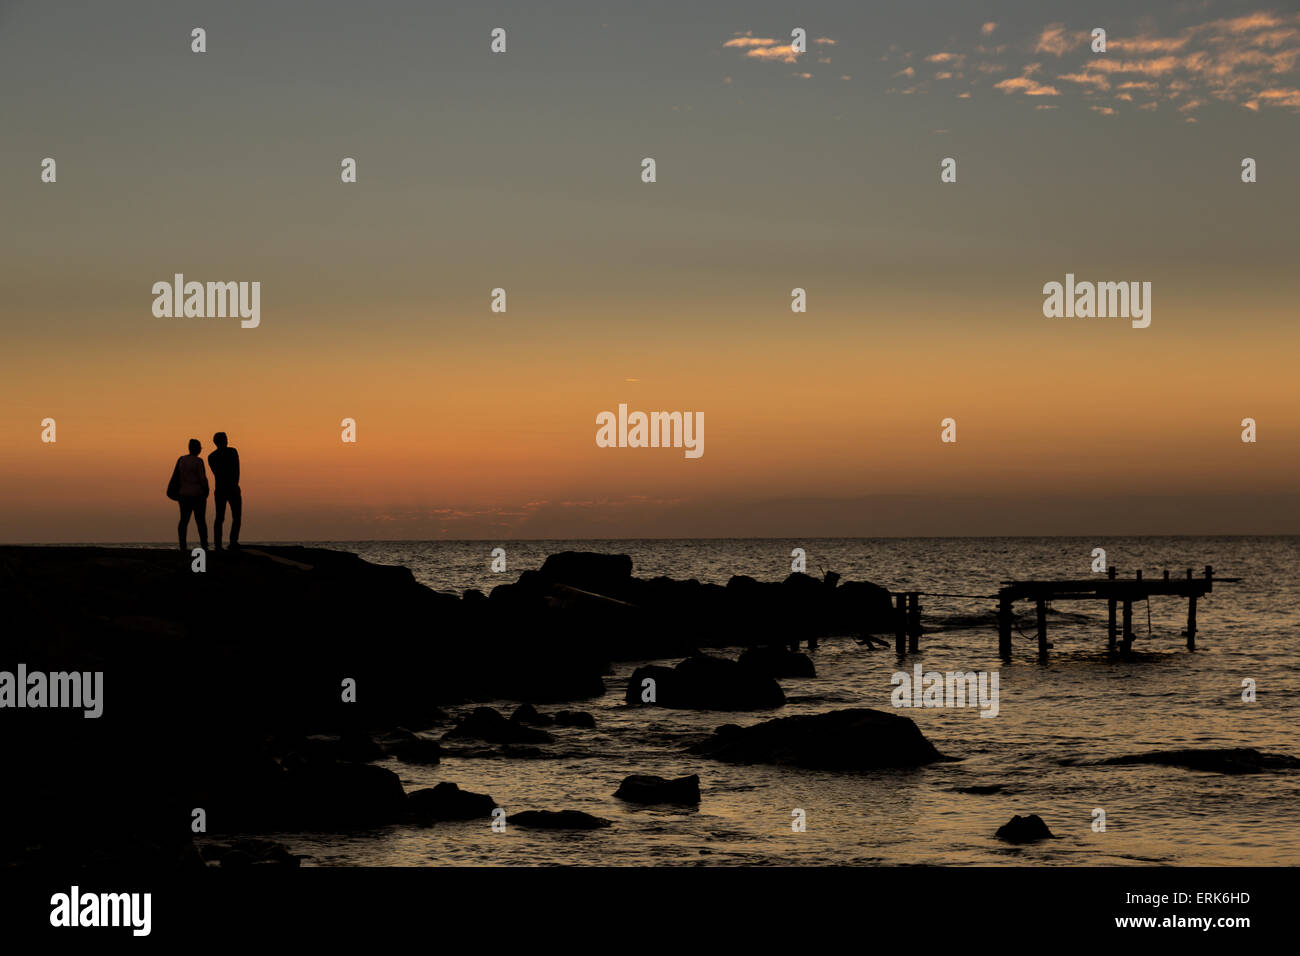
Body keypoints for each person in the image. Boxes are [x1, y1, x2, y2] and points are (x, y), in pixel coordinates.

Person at [170, 439, 209, 551]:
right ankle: (204, 545)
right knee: (201, 521)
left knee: (183, 520)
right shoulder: (198, 461)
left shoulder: (181, 460)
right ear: (197, 449)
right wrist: (206, 491)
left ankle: (183, 545)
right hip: (197, 495)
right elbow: (202, 478)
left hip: (183, 494)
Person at [208, 432, 241, 551]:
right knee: (236, 516)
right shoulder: (232, 452)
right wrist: (235, 483)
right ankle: (233, 541)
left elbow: (217, 473)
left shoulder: (211, 456)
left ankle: (218, 544)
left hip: (220, 488)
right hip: (231, 487)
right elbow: (237, 469)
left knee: (220, 517)